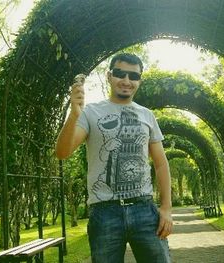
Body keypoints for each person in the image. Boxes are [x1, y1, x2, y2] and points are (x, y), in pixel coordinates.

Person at [55, 53, 172, 263]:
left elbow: (161, 164)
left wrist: (166, 208)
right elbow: (62, 153)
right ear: (109, 76)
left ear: (139, 81)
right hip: (104, 212)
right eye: (120, 73)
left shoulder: (147, 115)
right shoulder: (90, 112)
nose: (126, 81)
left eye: (133, 76)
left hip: (144, 210)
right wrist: (74, 115)